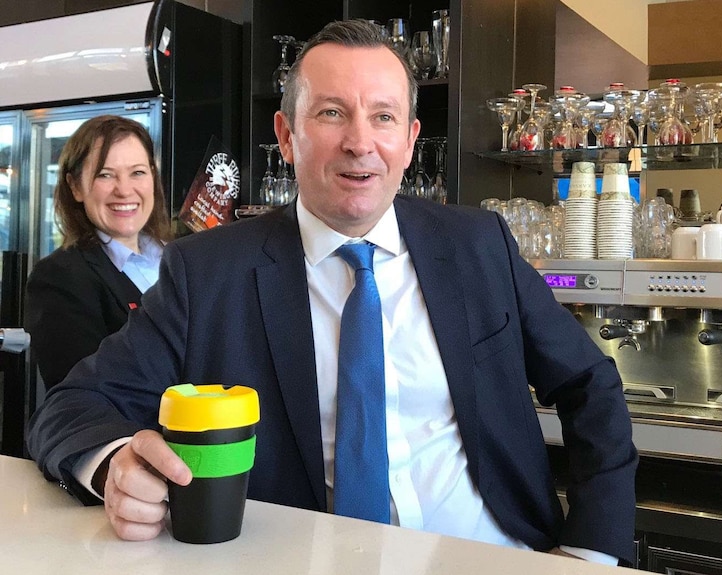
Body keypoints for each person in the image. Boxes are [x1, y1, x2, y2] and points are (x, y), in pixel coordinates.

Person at [27, 20, 638, 566]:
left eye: (383, 116)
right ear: (287, 135)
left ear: (409, 138)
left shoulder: (480, 244)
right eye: (331, 113)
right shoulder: (205, 272)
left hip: (492, 552)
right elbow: (69, 407)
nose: (360, 142)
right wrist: (112, 465)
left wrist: (591, 548)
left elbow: (590, 384)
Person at [23, 115, 173, 390]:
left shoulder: (179, 258)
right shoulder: (58, 278)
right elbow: (80, 393)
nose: (124, 190)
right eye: (105, 175)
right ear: (75, 186)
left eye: (137, 172)